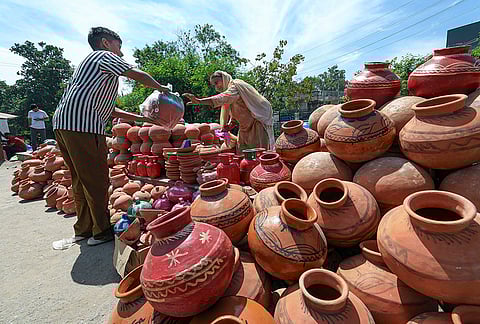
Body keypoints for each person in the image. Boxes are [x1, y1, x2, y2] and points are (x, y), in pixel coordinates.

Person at [52, 27, 171, 250]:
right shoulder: (102, 56)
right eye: (119, 46)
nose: (121, 52)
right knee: (96, 180)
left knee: (80, 180)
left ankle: (84, 229)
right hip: (82, 126)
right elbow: (135, 73)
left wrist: (140, 118)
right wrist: (161, 88)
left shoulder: (91, 68)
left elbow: (111, 110)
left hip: (64, 124)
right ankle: (102, 232)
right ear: (106, 43)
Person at [183, 71, 275, 153]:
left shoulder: (235, 85)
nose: (216, 87)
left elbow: (223, 98)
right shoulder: (231, 96)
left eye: (216, 83)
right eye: (214, 85)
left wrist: (199, 101)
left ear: (224, 78)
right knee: (242, 153)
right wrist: (229, 126)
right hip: (244, 128)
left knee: (259, 155)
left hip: (256, 124)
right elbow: (236, 115)